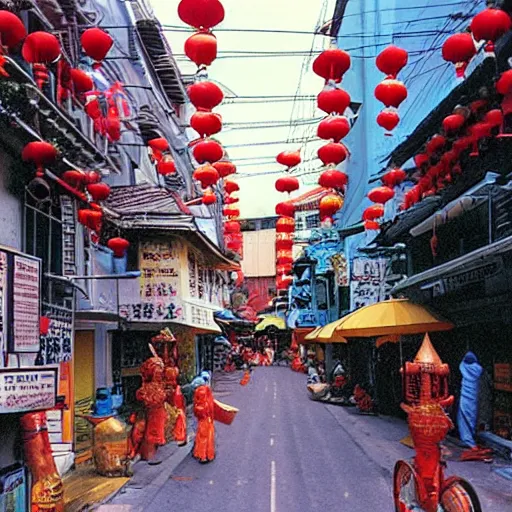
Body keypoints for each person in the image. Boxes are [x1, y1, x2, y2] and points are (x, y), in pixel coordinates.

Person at [457, 352, 483, 448]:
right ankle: (470, 437)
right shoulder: (479, 369)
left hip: (465, 396)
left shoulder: (463, 366)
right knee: (471, 416)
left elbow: (461, 363)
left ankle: (467, 439)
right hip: (473, 397)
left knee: (463, 417)